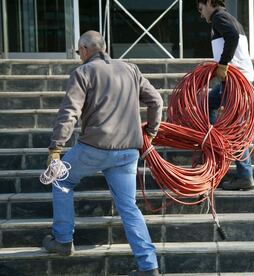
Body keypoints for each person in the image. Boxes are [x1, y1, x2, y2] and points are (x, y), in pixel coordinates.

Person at [42, 31, 162, 276]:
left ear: (85, 49)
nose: (79, 56)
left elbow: (69, 113)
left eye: (78, 52)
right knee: (129, 207)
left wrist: (56, 147)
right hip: (128, 151)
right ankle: (149, 267)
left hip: (94, 148)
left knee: (60, 179)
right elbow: (156, 101)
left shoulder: (83, 73)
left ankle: (63, 240)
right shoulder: (131, 69)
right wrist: (151, 130)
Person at [197, 0, 254, 190]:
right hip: (233, 80)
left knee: (236, 128)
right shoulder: (226, 18)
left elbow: (232, 37)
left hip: (235, 81)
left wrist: (223, 64)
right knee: (206, 104)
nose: (201, 14)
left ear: (207, 3)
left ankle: (245, 175)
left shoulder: (219, 17)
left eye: (200, 9)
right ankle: (217, 137)